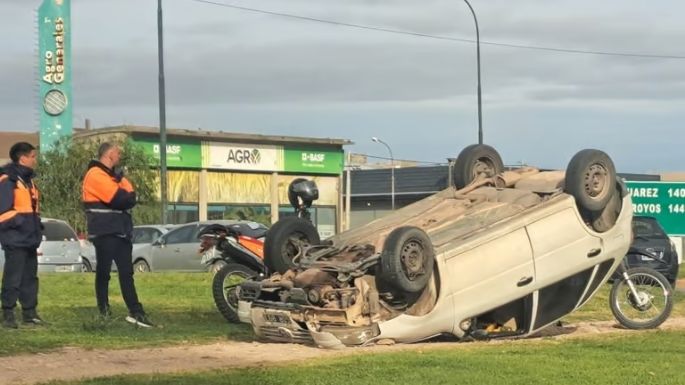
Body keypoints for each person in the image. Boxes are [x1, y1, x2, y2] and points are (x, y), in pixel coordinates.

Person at [82, 142, 153, 327]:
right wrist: (124, 194)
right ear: (109, 154)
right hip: (104, 231)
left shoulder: (113, 176)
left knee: (126, 272)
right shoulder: (95, 175)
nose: (120, 155)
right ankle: (104, 310)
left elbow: (131, 196)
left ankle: (136, 312)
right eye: (118, 152)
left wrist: (124, 190)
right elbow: (119, 199)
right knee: (104, 272)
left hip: (120, 231)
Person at [0, 142, 43, 328]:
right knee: (13, 277)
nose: (35, 159)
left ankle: (29, 313)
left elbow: (32, 209)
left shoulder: (29, 181)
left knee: (30, 278)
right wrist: (20, 222)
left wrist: (37, 226)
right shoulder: (7, 179)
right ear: (22, 157)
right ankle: (8, 313)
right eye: (33, 156)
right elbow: (3, 212)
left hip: (30, 238)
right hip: (15, 238)